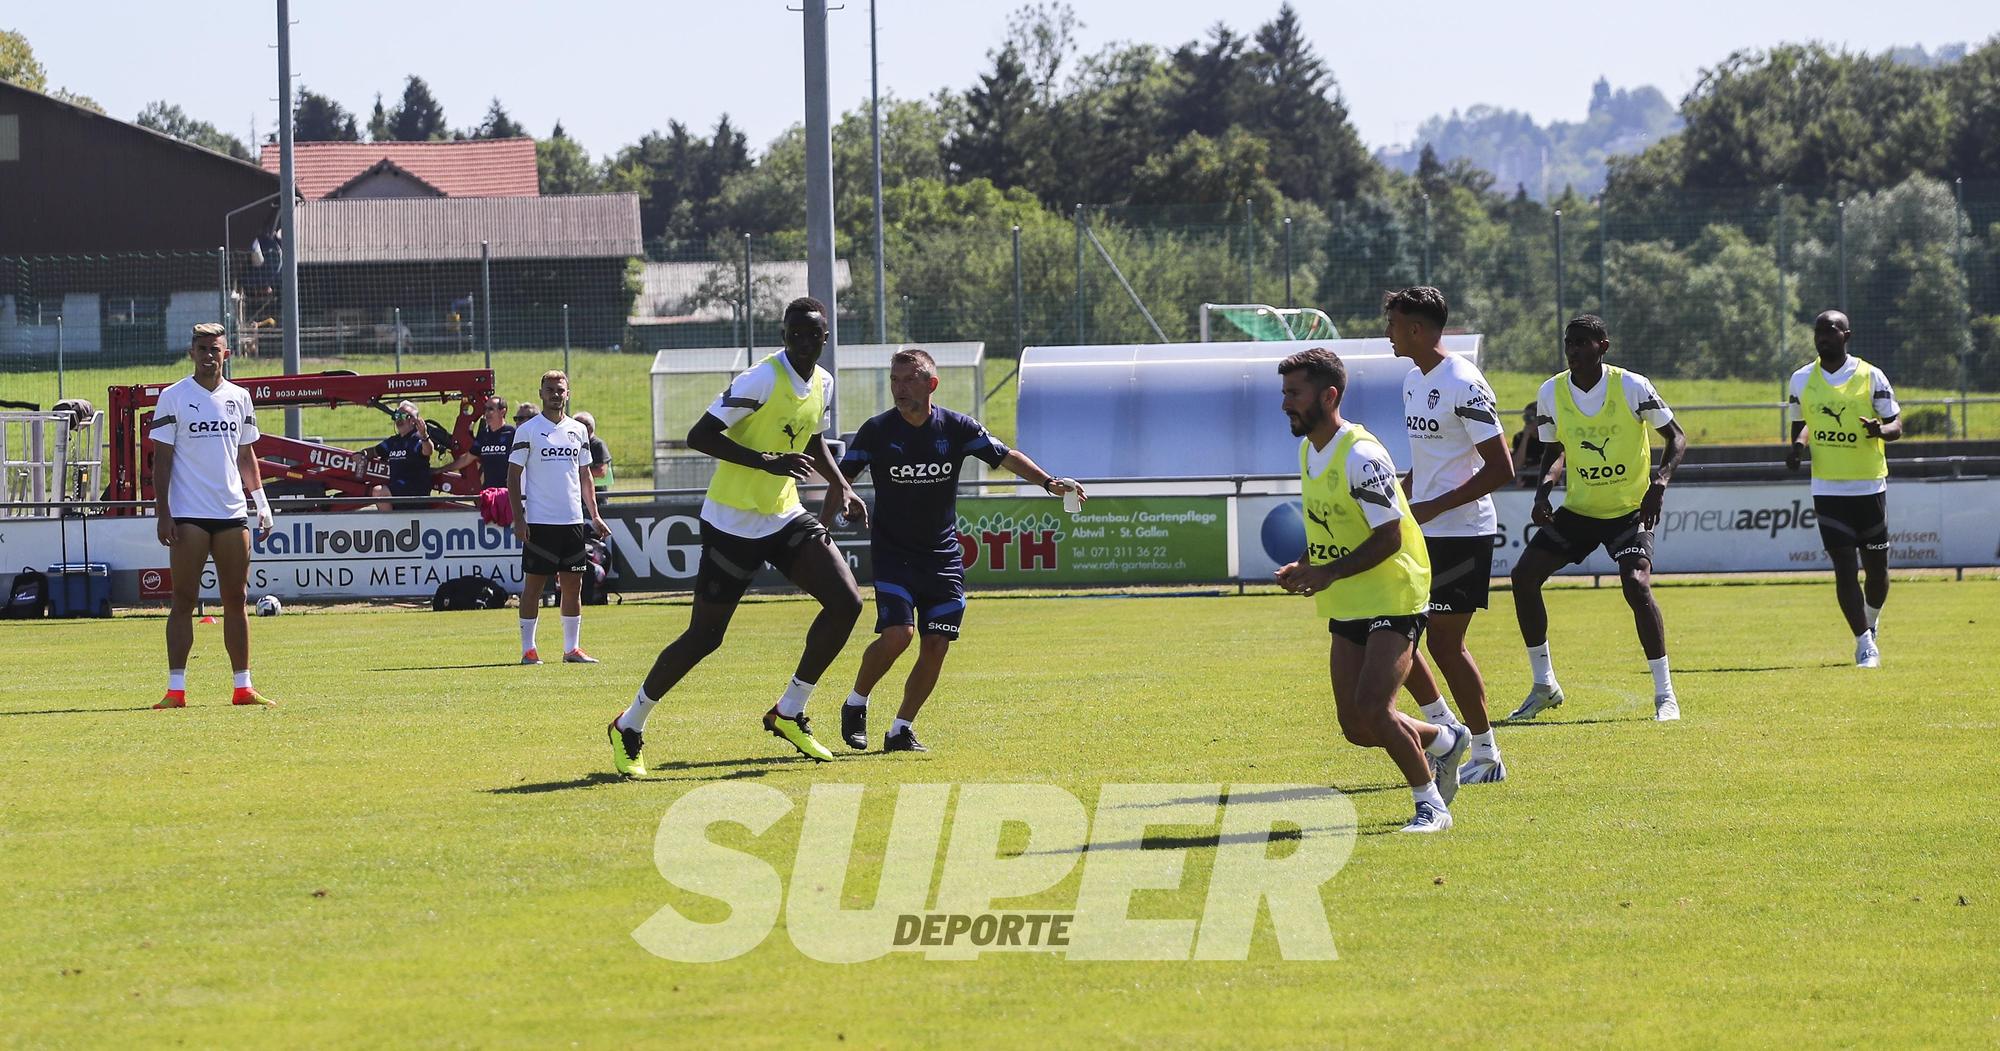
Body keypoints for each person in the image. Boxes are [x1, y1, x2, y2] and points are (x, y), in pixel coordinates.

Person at [606, 297, 869, 777]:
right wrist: (767, 461)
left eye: (814, 335)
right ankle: (629, 724)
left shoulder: (824, 383)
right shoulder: (761, 379)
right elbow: (699, 436)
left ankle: (789, 711)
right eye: (796, 333)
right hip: (731, 524)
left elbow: (810, 438)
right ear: (783, 335)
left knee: (847, 603)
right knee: (705, 637)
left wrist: (843, 487)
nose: (805, 341)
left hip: (785, 515)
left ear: (825, 339)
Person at [836, 348, 1083, 753]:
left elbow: (1005, 456)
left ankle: (900, 729)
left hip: (943, 556)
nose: (899, 388)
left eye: (909, 380)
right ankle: (856, 702)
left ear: (931, 384)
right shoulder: (877, 431)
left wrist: (1048, 481)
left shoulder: (956, 427)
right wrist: (843, 499)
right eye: (895, 380)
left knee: (936, 644)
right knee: (899, 634)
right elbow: (841, 476)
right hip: (894, 553)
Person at [1274, 347, 1466, 834]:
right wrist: (1306, 562)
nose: (1285, 405)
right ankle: (1444, 741)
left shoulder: (1361, 454)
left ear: (1329, 394)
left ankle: (1432, 807)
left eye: (1294, 394)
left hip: (1394, 592)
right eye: (1284, 394)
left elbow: (1390, 536)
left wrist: (1327, 572)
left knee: (1375, 709)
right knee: (1357, 729)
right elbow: (1331, 526)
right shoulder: (1308, 450)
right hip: (1350, 596)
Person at [1508, 315, 1689, 723]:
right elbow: (1554, 453)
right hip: (1580, 511)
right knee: (1523, 576)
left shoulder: (1630, 385)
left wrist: (1659, 483)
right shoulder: (1551, 392)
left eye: (1581, 342)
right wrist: (1542, 493)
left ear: (1602, 346)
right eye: (1568, 342)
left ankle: (1665, 695)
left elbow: (1676, 437)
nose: (1572, 349)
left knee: (1636, 584)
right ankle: (1544, 685)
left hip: (1628, 511)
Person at [1386, 288, 1515, 783]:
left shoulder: (1464, 381)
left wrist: (1431, 508)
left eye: (1394, 324)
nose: (1388, 333)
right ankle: (1446, 732)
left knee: (1444, 643)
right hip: (1423, 529)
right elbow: (1428, 462)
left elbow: (1501, 467)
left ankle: (1486, 754)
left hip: (1462, 532)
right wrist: (1399, 499)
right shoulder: (1413, 381)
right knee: (1396, 633)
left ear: (1417, 329)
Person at [150, 322, 277, 709]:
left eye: (215, 349)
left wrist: (261, 500)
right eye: (201, 348)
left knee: (236, 599)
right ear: (192, 352)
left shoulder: (240, 397)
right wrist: (163, 512)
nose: (208, 355)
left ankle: (243, 687)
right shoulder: (173, 397)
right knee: (184, 600)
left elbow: (245, 454)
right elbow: (162, 461)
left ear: (227, 353)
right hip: (188, 515)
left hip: (231, 514)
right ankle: (176, 690)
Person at [1786, 309, 1901, 667]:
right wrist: (1798, 448)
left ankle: (1872, 620)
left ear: (1846, 335)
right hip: (1828, 488)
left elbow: (1896, 424)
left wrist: (1879, 431)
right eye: (1819, 331)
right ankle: (1864, 643)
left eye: (1832, 330)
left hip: (1868, 486)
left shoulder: (1871, 376)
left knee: (1878, 572)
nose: (1824, 336)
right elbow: (1802, 425)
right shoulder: (1801, 379)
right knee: (1844, 568)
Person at [508, 371, 610, 665]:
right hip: (540, 522)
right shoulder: (527, 430)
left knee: (573, 586)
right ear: (541, 393)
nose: (555, 394)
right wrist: (519, 517)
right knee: (534, 587)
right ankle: (528, 649)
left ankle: (571, 649)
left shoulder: (578, 430)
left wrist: (595, 515)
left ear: (568, 393)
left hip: (573, 523)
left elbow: (586, 475)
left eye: (560, 389)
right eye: (549, 389)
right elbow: (513, 477)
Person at [364, 400, 434, 511]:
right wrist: (362, 454)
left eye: (403, 416)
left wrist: (424, 435)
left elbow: (428, 451)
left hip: (415, 492)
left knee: (379, 491)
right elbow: (374, 451)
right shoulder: (393, 442)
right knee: (378, 491)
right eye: (396, 415)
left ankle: (392, 526)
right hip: (397, 491)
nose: (398, 419)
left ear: (413, 421)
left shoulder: (418, 439)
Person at [451, 396, 515, 491]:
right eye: (485, 409)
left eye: (491, 409)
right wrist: (441, 470)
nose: (487, 413)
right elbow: (466, 459)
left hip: (507, 493)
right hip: (489, 492)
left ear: (503, 412)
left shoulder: (512, 433)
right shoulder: (483, 435)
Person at [1510, 402, 1546, 487]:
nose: (1528, 421)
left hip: (1546, 479)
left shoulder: (1548, 437)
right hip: (1527, 481)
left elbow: (1551, 464)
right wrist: (1525, 438)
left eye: (1532, 417)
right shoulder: (1519, 437)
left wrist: (1531, 469)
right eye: (1526, 418)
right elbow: (1517, 465)